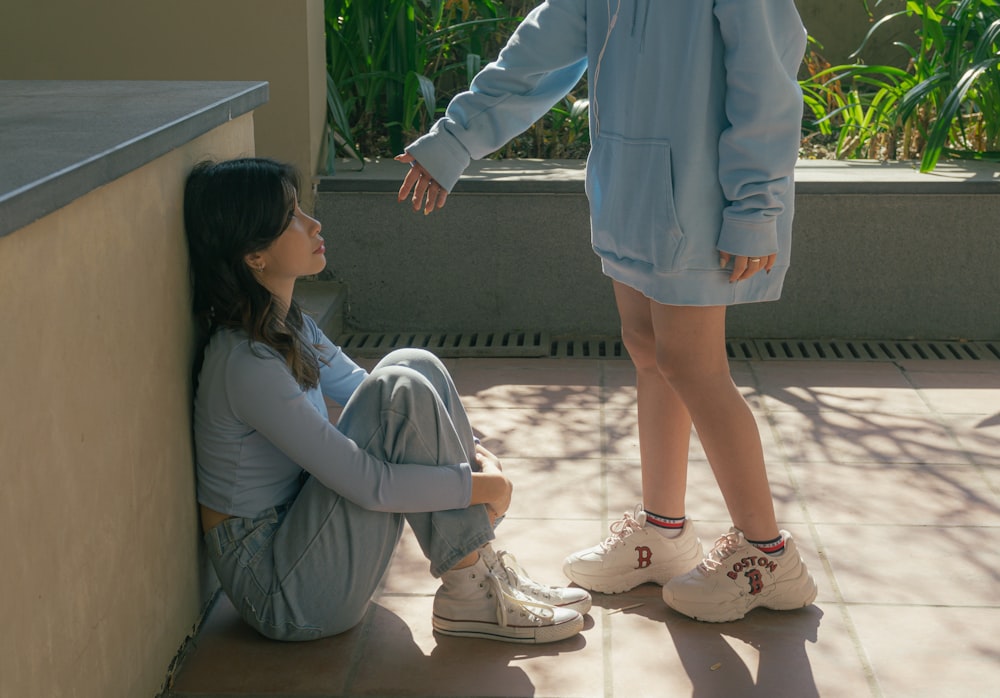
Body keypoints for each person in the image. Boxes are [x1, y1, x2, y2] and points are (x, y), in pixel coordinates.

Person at [397, 0, 818, 623]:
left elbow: (768, 80)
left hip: (705, 197)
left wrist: (757, 205)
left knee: (692, 365)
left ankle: (767, 555)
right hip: (630, 191)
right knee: (649, 352)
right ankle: (663, 530)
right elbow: (535, 54)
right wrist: (454, 139)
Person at [183, 156, 590, 644]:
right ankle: (470, 587)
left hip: (303, 538)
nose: (313, 224)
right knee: (398, 393)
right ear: (254, 256)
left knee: (413, 365)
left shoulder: (286, 325)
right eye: (292, 216)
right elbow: (369, 481)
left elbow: (367, 388)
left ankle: (476, 575)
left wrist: (472, 451)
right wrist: (480, 488)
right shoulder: (245, 363)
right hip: (279, 591)